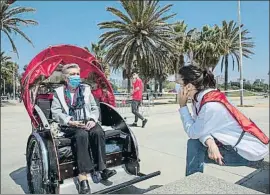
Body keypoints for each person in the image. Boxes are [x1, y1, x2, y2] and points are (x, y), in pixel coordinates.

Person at [176, 65, 269, 177]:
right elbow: (200, 129)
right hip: (234, 145)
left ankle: (193, 185)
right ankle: (193, 181)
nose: (177, 88)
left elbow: (193, 132)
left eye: (180, 84)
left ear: (189, 86)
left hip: (249, 152)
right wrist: (210, 143)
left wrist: (182, 106)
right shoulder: (202, 97)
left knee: (194, 146)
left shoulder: (210, 105)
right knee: (195, 144)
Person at [51, 63, 116, 194]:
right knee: (81, 135)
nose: (76, 77)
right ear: (65, 77)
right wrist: (71, 121)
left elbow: (94, 108)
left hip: (87, 121)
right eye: (72, 74)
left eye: (77, 74)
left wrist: (92, 120)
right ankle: (83, 177)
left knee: (97, 131)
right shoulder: (59, 93)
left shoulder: (86, 90)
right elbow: (56, 112)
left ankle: (102, 169)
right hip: (70, 124)